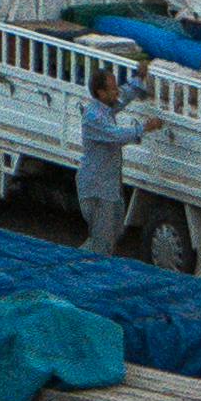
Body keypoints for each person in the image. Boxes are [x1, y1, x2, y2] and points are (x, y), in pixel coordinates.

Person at [79, 51, 135, 251]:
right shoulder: (94, 117)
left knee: (113, 234)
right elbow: (116, 135)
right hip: (97, 188)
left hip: (108, 186)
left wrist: (138, 81)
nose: (117, 93)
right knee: (102, 242)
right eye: (113, 89)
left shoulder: (106, 108)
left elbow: (124, 97)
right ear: (101, 93)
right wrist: (144, 128)